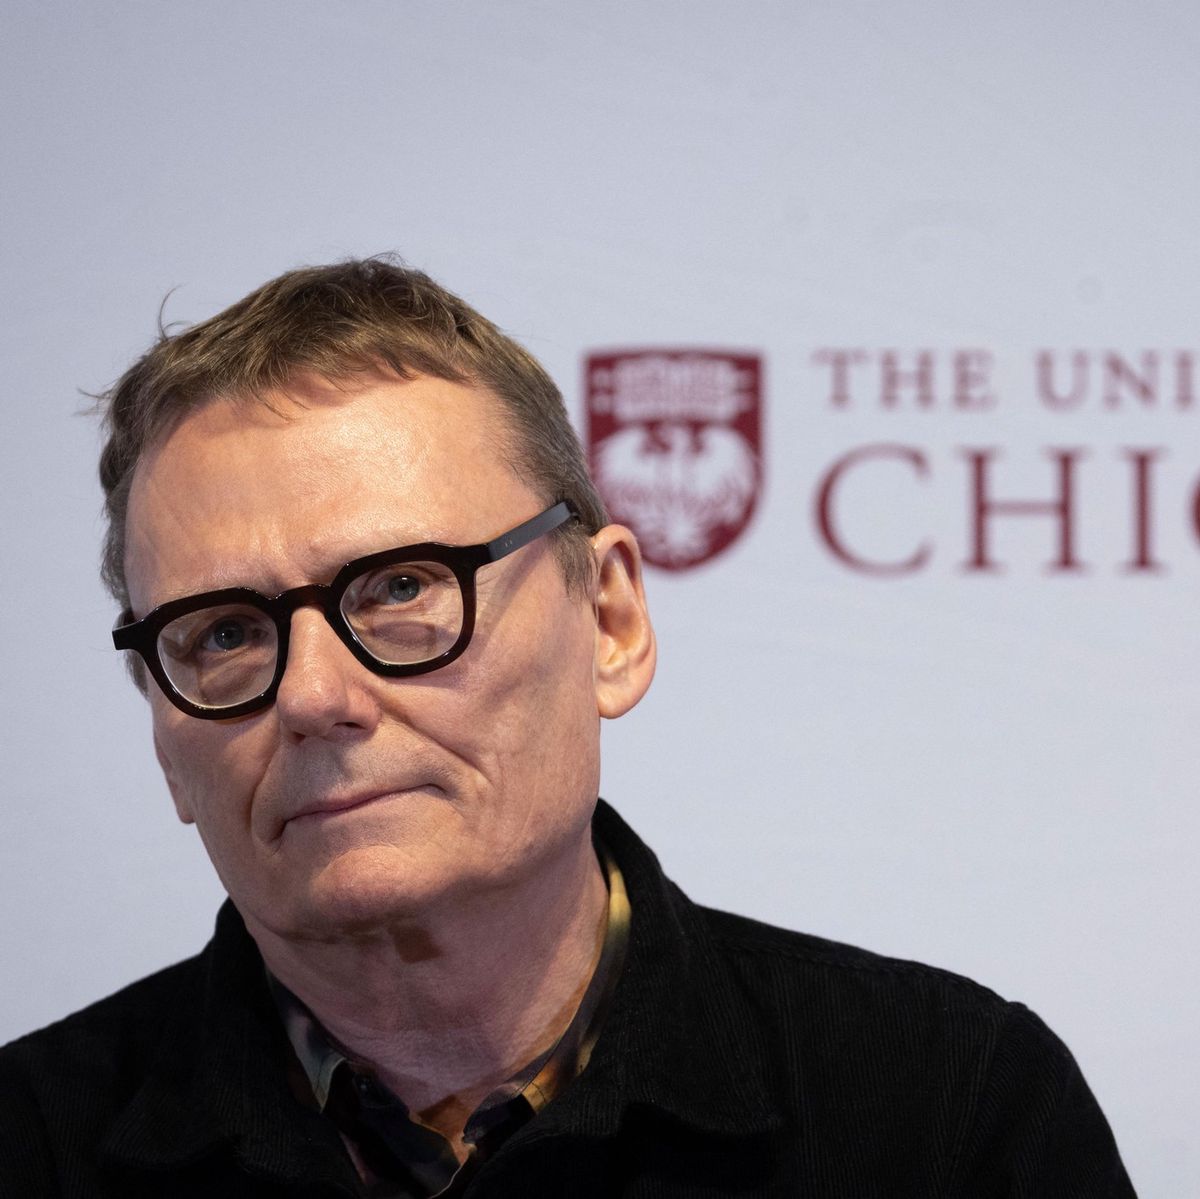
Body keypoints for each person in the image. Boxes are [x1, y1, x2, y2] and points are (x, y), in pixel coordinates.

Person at [0, 258, 1135, 1197]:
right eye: (224, 633)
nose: (312, 694)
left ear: (610, 619)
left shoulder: (948, 1108)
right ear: (162, 728)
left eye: (401, 587)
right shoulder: (29, 1145)